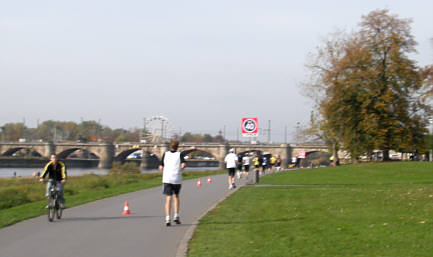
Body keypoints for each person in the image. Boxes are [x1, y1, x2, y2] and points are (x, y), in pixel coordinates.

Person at [159, 139, 186, 226]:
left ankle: (167, 218)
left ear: (170, 146)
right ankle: (176, 216)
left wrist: (162, 168)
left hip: (167, 179)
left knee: (168, 198)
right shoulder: (180, 154)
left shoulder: (165, 154)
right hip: (176, 178)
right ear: (177, 147)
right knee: (176, 197)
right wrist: (182, 167)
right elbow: (183, 164)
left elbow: (160, 166)